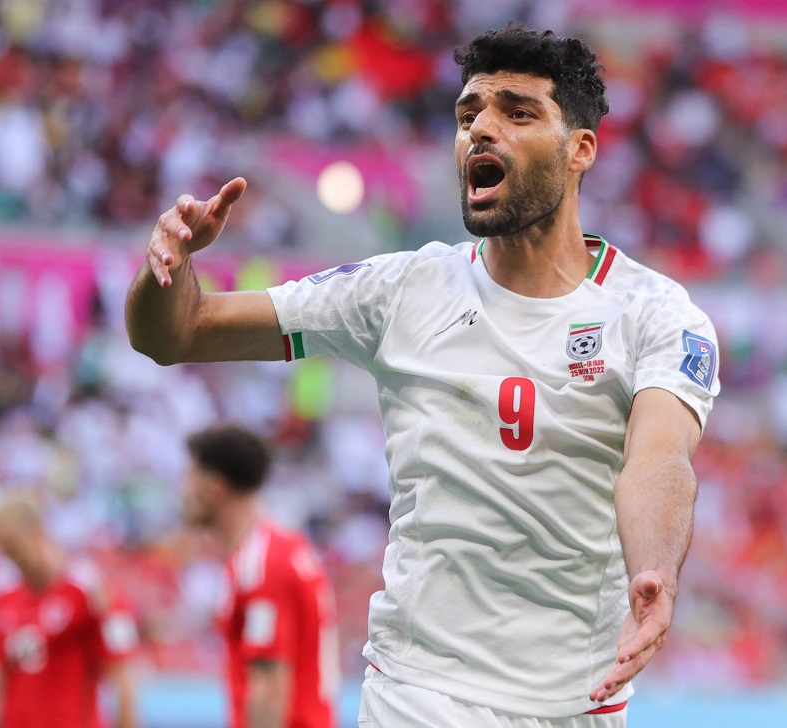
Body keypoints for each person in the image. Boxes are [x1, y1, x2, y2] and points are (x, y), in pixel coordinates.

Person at [126, 24, 719, 727]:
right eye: (469, 115)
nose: (482, 130)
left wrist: (655, 569)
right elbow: (177, 332)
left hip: (579, 705)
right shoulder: (401, 290)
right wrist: (168, 268)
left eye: (518, 113)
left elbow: (659, 461)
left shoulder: (656, 315)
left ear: (580, 149)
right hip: (419, 694)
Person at [182, 423, 338, 728]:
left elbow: (269, 690)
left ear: (215, 487)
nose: (183, 492)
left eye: (189, 478)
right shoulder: (279, 549)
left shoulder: (262, 564)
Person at [0, 495, 139, 728]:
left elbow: (123, 679)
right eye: (4, 552)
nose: (13, 559)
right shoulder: (4, 600)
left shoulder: (91, 591)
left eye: (14, 547)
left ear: (38, 532)